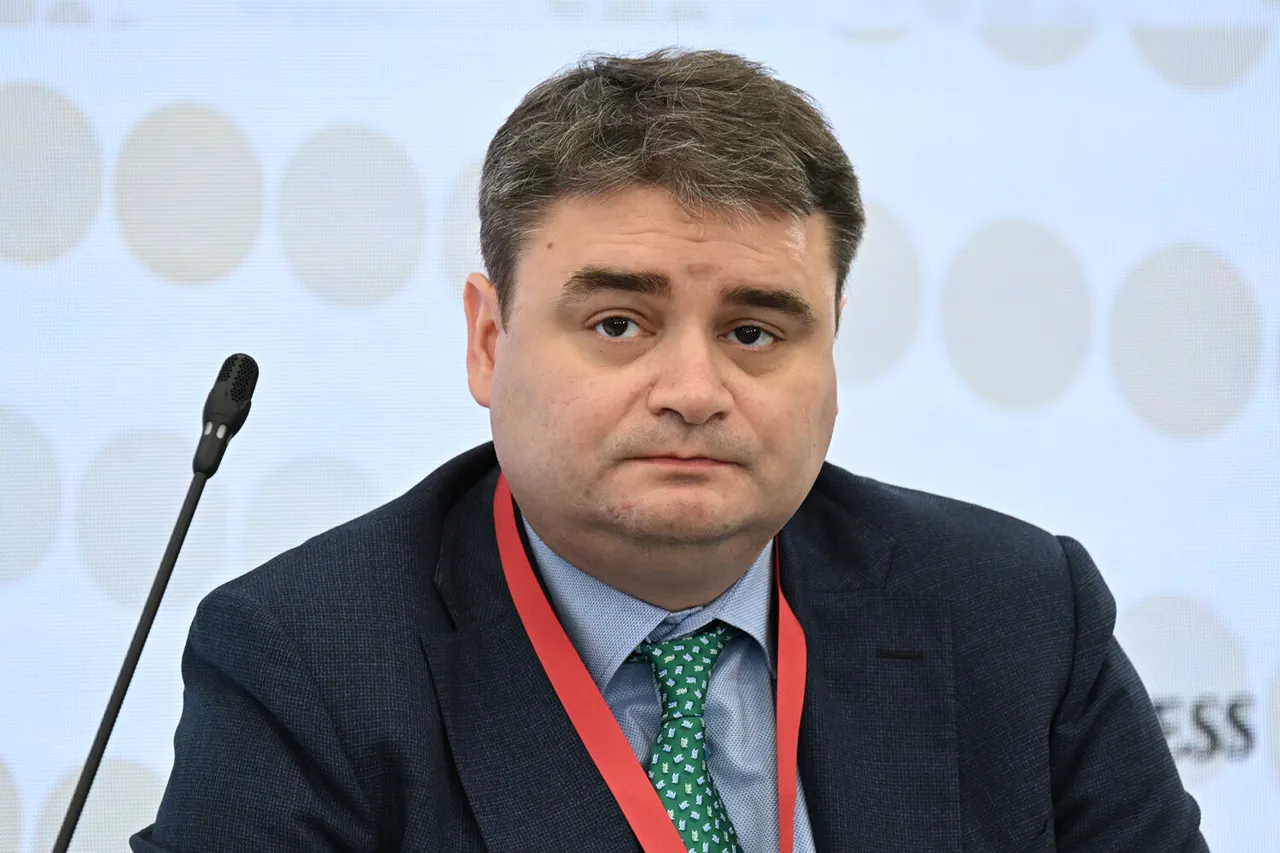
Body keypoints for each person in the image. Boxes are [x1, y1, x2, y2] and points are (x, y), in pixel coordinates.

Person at [131, 48, 1207, 852]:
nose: (693, 392)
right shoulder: (308, 662)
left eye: (754, 332)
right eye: (618, 324)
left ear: (832, 347)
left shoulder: (1017, 614)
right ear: (488, 342)